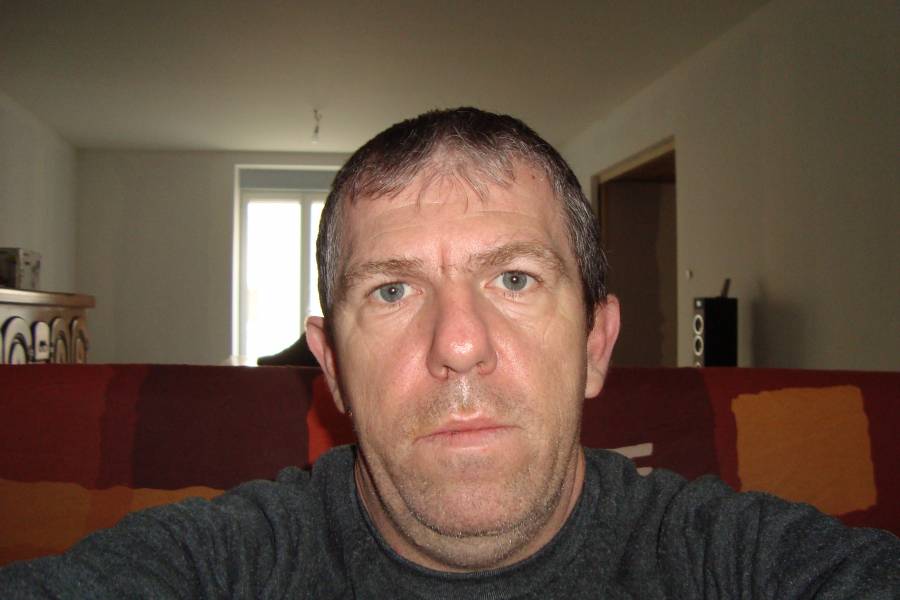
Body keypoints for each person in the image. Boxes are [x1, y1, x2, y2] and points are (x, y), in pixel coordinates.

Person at [2, 108, 897, 598]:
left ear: (596, 343)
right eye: (392, 291)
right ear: (332, 367)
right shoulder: (223, 565)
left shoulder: (738, 564)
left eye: (514, 278)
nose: (460, 344)